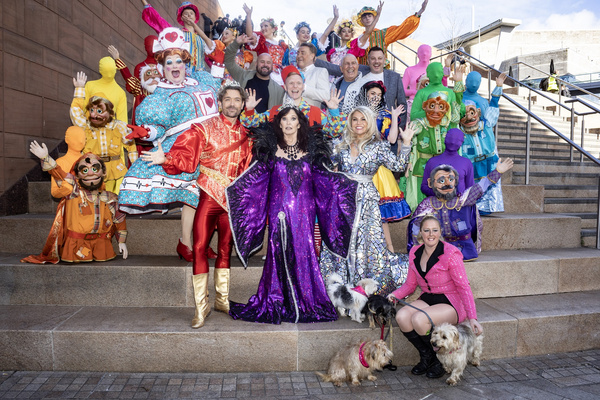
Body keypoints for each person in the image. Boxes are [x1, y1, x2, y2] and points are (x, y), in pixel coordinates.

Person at [227, 107, 359, 324]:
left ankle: (305, 300)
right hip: (278, 210)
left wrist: (346, 184)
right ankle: (279, 300)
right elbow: (256, 181)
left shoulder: (313, 150)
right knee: (278, 251)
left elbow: (325, 179)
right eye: (284, 119)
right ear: (279, 124)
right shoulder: (269, 149)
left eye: (293, 119)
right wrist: (236, 189)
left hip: (305, 211)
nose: (288, 123)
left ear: (300, 123)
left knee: (303, 250)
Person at [140, 83, 253, 329]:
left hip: (233, 202)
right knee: (200, 247)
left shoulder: (248, 136)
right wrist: (166, 158)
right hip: (209, 197)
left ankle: (222, 300)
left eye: (237, 100)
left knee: (225, 249)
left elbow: (250, 171)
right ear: (220, 103)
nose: (232, 103)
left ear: (243, 105)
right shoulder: (203, 128)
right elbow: (187, 156)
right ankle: (201, 307)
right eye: (228, 99)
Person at [118, 28, 221, 262]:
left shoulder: (200, 80)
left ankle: (200, 243)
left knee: (213, 199)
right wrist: (146, 131)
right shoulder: (161, 95)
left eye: (178, 61)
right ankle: (188, 244)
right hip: (185, 149)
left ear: (185, 63)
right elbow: (159, 127)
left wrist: (219, 60)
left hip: (213, 147)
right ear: (163, 68)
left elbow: (218, 83)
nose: (174, 66)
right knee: (194, 198)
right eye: (169, 63)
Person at [319, 106, 414, 296]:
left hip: (367, 200)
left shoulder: (378, 146)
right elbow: (326, 167)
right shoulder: (341, 145)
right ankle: (340, 282)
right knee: (342, 240)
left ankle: (364, 283)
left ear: (369, 123)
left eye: (363, 119)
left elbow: (398, 165)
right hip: (342, 201)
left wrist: (407, 143)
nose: (358, 123)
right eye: (355, 119)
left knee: (368, 242)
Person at [387, 215, 482, 379]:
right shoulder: (415, 252)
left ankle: (439, 361)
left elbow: (464, 287)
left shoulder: (451, 253)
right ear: (421, 233)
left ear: (440, 233)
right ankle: (428, 356)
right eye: (426, 230)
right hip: (428, 298)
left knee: (418, 319)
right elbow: (410, 285)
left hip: (451, 301)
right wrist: (393, 296)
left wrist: (472, 317)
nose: (431, 234)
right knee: (402, 316)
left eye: (435, 230)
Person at [23, 142, 128, 264]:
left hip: (102, 245)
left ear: (104, 172)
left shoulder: (110, 198)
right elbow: (61, 175)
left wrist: (121, 241)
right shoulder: (74, 192)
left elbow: (119, 219)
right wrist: (46, 158)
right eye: (84, 170)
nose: (90, 173)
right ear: (77, 175)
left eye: (95, 168)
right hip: (76, 246)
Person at [407, 158, 514, 261]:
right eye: (441, 180)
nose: (447, 184)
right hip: (436, 250)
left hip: (463, 250)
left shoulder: (463, 199)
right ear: (431, 183)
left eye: (451, 179)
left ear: (455, 182)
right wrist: (418, 249)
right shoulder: (427, 204)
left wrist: (498, 171)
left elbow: (482, 186)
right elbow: (416, 228)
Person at [356, 81, 411, 252]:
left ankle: (390, 249)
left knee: (381, 215)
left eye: (378, 95)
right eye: (372, 93)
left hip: (379, 167)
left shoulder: (385, 115)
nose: (375, 97)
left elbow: (393, 140)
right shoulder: (355, 114)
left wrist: (394, 118)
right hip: (358, 165)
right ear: (365, 94)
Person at [70, 72, 138, 195]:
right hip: (92, 170)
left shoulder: (119, 127)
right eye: (92, 110)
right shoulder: (86, 126)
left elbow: (131, 147)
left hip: (114, 169)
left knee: (111, 199)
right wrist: (79, 89)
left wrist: (136, 167)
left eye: (100, 110)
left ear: (110, 113)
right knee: (94, 198)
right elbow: (75, 111)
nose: (94, 114)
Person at [241, 65, 345, 138]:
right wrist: (249, 109)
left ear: (303, 87)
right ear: (285, 87)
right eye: (291, 83)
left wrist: (334, 111)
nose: (295, 86)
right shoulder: (275, 111)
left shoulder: (315, 112)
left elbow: (333, 132)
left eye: (298, 83)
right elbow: (250, 123)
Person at [460, 73, 507, 214]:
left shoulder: (486, 123)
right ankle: (473, 206)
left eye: (472, 112)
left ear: (478, 112)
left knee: (489, 184)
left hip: (487, 158)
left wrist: (498, 87)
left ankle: (488, 208)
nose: (469, 116)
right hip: (471, 160)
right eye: (465, 113)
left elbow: (493, 106)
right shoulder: (460, 130)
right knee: (474, 184)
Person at [140, 0, 208, 72]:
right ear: (181, 18)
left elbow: (211, 57)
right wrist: (145, 4)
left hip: (201, 77)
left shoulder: (202, 39)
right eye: (186, 13)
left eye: (191, 13)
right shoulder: (177, 33)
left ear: (195, 17)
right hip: (181, 75)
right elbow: (159, 21)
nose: (189, 15)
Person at [355, 1, 427, 66]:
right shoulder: (359, 39)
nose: (367, 18)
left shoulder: (383, 34)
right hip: (364, 75)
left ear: (374, 18)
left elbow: (402, 28)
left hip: (381, 73)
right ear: (361, 21)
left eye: (369, 16)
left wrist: (421, 11)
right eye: (364, 17)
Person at [107, 38, 160, 126]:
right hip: (142, 108)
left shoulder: (164, 67)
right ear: (146, 47)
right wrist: (117, 59)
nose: (153, 76)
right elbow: (132, 83)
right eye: (149, 46)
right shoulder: (139, 67)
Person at [224, 34, 284, 113]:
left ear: (272, 66)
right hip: (241, 124)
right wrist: (236, 43)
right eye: (262, 62)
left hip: (265, 125)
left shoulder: (278, 90)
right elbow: (229, 62)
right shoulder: (243, 76)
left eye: (268, 62)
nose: (265, 65)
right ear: (256, 64)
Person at [243, 4, 286, 85]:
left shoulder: (280, 44)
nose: (263, 28)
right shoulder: (261, 41)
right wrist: (248, 15)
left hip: (279, 76)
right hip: (266, 74)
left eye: (266, 26)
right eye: (261, 26)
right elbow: (250, 35)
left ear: (273, 29)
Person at [84, 57, 128, 123]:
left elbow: (122, 121)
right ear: (100, 71)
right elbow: (82, 108)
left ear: (115, 70)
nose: (109, 75)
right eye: (106, 72)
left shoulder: (121, 92)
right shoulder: (90, 85)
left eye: (111, 71)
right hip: (90, 128)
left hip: (109, 131)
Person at [295, 43, 331, 108]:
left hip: (310, 116)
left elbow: (326, 96)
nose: (299, 56)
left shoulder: (320, 71)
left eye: (303, 53)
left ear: (312, 56)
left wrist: (304, 88)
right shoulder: (293, 73)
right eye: (298, 53)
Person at [403, 44, 432, 117]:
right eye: (421, 52)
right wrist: (415, 92)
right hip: (413, 105)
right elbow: (402, 90)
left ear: (431, 54)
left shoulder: (434, 71)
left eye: (427, 51)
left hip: (432, 106)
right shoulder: (409, 70)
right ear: (417, 54)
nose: (424, 54)